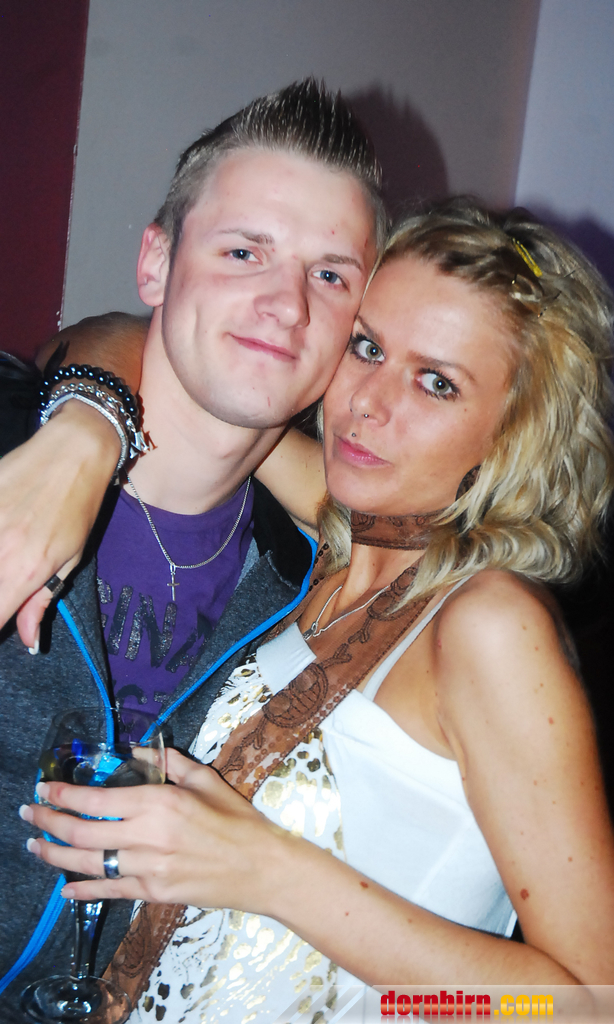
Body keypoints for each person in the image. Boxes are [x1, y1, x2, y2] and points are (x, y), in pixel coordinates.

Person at [22, 199, 614, 1022]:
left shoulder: (489, 625)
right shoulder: (338, 548)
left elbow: (611, 1009)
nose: (367, 404)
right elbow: (124, 343)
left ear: (511, 434)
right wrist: (84, 433)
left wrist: (270, 872)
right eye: (367, 347)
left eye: (436, 382)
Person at [0, 78, 381, 1011]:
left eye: (331, 275)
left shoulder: (317, 583)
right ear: (156, 263)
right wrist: (81, 417)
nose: (286, 304)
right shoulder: (15, 459)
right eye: (244, 251)